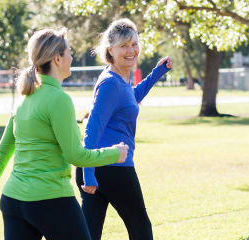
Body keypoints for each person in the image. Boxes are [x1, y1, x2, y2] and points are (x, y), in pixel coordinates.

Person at [0, 28, 129, 240]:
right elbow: (76, 156)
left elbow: (2, 153)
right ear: (57, 58)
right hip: (51, 200)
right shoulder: (59, 100)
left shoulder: (23, 98)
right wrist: (114, 153)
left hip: (13, 201)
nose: (72, 57)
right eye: (69, 52)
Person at [75, 18, 173, 240]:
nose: (131, 50)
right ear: (110, 50)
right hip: (110, 166)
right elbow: (92, 126)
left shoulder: (119, 78)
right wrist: (89, 175)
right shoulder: (111, 82)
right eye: (124, 46)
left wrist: (157, 73)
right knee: (140, 227)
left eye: (134, 44)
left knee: (89, 234)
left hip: (98, 165)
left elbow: (130, 98)